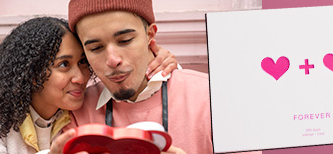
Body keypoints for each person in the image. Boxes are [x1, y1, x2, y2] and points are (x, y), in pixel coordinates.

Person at [0, 17, 178, 154]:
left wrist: (157, 59)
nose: (80, 76)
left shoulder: (81, 108)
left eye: (82, 62)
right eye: (63, 65)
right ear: (31, 72)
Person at [53, 0, 215, 153]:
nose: (113, 60)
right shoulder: (76, 111)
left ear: (150, 34)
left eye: (125, 40)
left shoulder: (212, 98)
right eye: (96, 48)